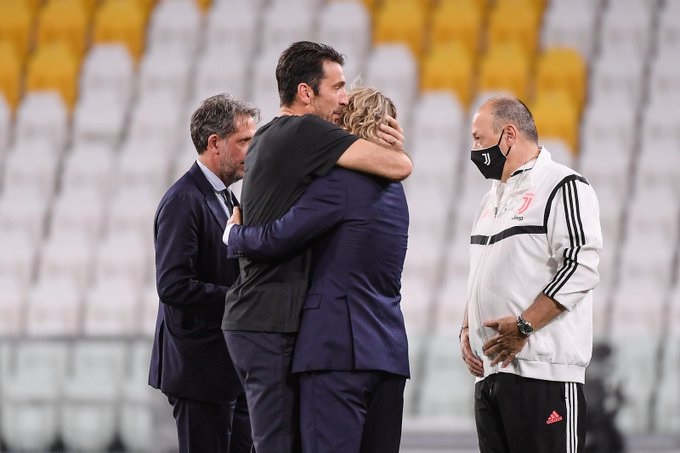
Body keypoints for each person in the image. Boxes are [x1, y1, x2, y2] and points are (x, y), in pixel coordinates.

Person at [221, 41, 412, 453]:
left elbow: (277, 237)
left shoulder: (336, 180)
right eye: (337, 88)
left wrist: (233, 236)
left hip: (333, 351)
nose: (340, 101)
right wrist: (395, 150)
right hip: (387, 349)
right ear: (307, 92)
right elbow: (399, 168)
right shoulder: (395, 195)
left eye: (346, 94)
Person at [459, 95, 603, 453]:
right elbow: (481, 270)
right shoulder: (491, 198)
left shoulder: (563, 185)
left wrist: (524, 327)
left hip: (545, 376)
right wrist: (467, 326)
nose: (474, 149)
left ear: (509, 135)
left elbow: (580, 267)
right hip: (494, 375)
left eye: (479, 139)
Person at [148, 94, 258, 453]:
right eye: (243, 141)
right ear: (215, 143)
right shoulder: (184, 200)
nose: (251, 151)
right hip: (199, 373)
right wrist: (242, 301)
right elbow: (174, 285)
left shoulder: (227, 198)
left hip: (228, 370)